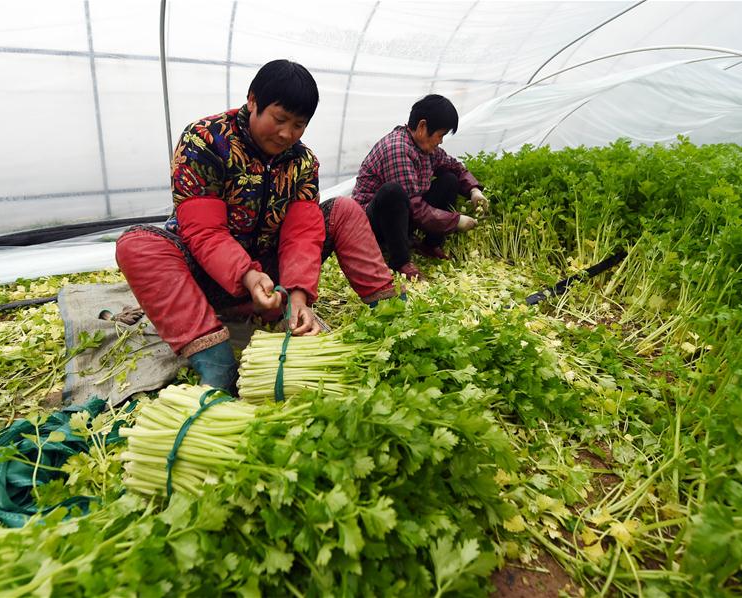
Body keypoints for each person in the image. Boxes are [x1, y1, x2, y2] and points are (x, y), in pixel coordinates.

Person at [115, 59, 397, 391]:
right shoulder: (206, 141)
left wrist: (298, 296)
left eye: (299, 125)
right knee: (137, 245)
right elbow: (203, 231)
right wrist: (247, 276)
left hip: (269, 271)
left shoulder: (302, 162)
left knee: (345, 210)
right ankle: (215, 360)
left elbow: (303, 233)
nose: (287, 134)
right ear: (252, 101)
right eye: (279, 119)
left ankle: (391, 312)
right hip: (206, 274)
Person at [352, 94, 489, 281]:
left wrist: (474, 190)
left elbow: (455, 167)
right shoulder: (397, 148)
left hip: (401, 218)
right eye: (440, 135)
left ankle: (430, 245)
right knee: (393, 192)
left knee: (449, 179)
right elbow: (414, 208)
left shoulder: (427, 149)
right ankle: (400, 261)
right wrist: (455, 221)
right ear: (423, 127)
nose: (441, 141)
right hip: (373, 224)